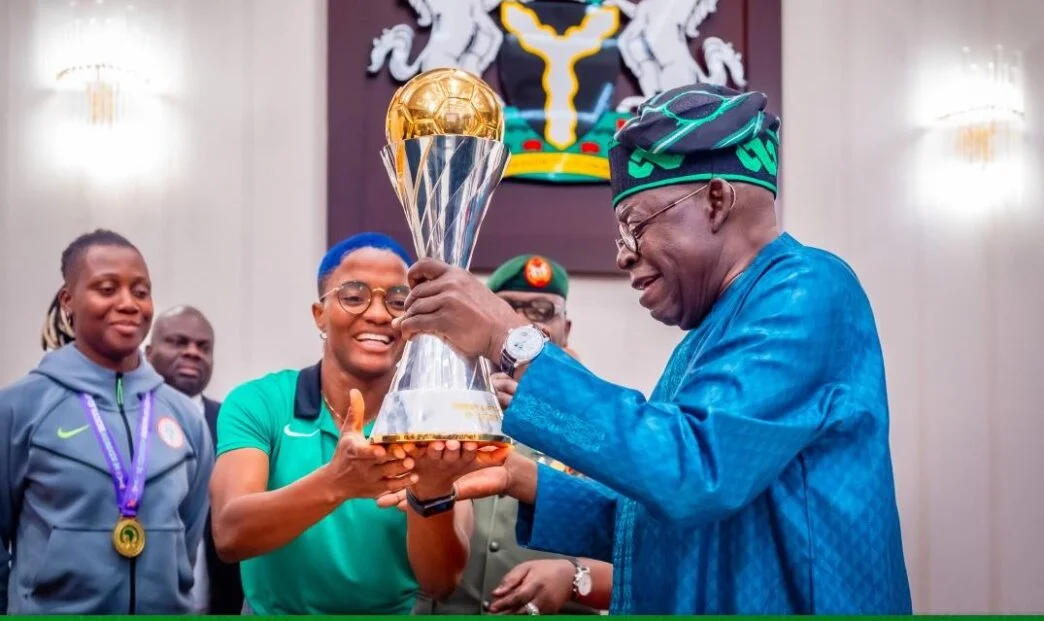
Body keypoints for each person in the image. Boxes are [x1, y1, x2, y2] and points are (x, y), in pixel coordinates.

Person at [387, 85, 913, 614]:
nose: (622, 255)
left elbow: (692, 472)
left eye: (634, 225)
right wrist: (530, 483)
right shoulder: (707, 334)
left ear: (715, 200)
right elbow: (659, 521)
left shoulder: (807, 289)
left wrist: (512, 339)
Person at [208, 232, 499, 615]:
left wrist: (431, 490)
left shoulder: (437, 418)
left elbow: (441, 582)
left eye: (397, 301)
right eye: (354, 296)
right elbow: (230, 536)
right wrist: (337, 482)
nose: (378, 314)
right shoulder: (261, 402)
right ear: (320, 314)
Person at [0, 229, 214, 614]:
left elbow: (189, 538)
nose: (128, 303)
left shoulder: (184, 418)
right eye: (107, 288)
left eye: (141, 291)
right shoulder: (20, 408)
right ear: (69, 301)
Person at [413, 254, 610, 615]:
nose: (524, 325)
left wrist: (574, 575)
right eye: (508, 310)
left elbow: (639, 547)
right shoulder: (450, 403)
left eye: (542, 310)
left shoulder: (599, 420)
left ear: (565, 327)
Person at [146, 305, 243, 615]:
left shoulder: (235, 425)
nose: (193, 353)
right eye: (177, 342)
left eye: (204, 347)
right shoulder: (124, 421)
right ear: (148, 352)